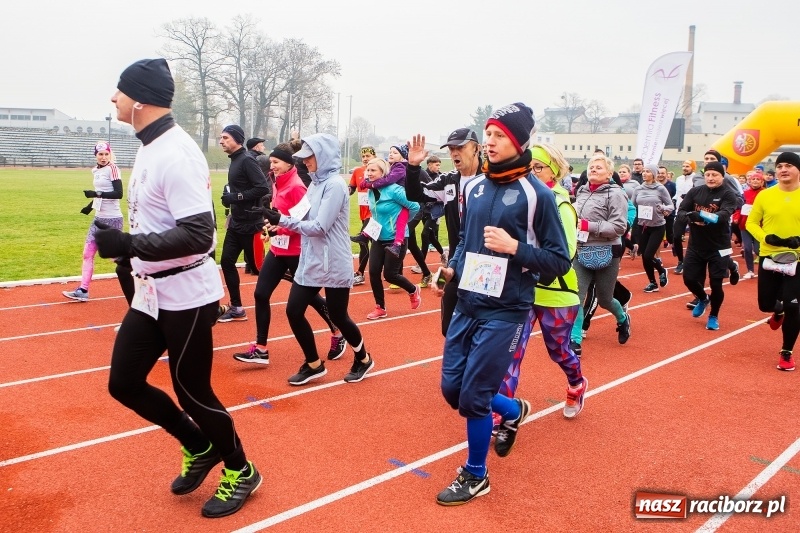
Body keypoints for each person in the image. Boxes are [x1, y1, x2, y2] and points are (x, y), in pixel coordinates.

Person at [96, 58, 260, 518]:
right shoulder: (149, 144)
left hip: (185, 293)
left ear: (141, 99)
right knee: (124, 383)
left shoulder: (176, 152)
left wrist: (129, 242)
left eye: (119, 90)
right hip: (151, 292)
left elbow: (200, 234)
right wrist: (130, 255)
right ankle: (198, 444)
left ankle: (241, 469)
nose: (113, 98)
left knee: (192, 391)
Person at [431, 103, 570, 506]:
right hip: (467, 304)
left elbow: (559, 260)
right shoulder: (472, 187)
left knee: (473, 397)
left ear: (520, 142)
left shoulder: (537, 196)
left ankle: (476, 474)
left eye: (499, 136)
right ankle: (512, 410)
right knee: (451, 390)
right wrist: (451, 270)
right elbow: (465, 243)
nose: (489, 142)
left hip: (506, 311)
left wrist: (516, 249)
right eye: (487, 134)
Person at [261, 133, 375, 385]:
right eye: (302, 157)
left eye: (309, 157)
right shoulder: (314, 184)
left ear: (323, 156)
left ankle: (364, 358)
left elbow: (319, 227)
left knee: (339, 316)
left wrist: (283, 220)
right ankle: (313, 363)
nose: (304, 162)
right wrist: (277, 223)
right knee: (293, 310)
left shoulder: (334, 185)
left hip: (333, 261)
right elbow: (301, 216)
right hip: (312, 259)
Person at [232, 140, 346, 365]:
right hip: (277, 249)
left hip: (296, 251)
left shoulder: (296, 187)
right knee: (260, 294)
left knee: (311, 298)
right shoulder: (277, 182)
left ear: (287, 164)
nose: (271, 166)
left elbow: (304, 222)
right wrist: (272, 229)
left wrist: (280, 227)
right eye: (271, 162)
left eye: (275, 162)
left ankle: (337, 332)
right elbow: (281, 215)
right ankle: (261, 348)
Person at [499, 143, 587, 420]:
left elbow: (567, 254)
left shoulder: (561, 205)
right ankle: (501, 414)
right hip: (522, 292)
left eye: (539, 167)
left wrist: (524, 257)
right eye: (529, 168)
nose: (532, 173)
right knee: (509, 354)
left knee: (559, 351)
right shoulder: (518, 200)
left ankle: (576, 384)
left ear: (555, 171)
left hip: (556, 292)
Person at [405, 127, 483, 336]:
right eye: (451, 149)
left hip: (486, 265)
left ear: (477, 148)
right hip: (456, 262)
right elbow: (414, 193)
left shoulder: (492, 179)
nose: (455, 153)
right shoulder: (448, 181)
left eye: (460, 147)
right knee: (448, 328)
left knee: (481, 329)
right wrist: (413, 166)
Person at [570, 153, 631, 356]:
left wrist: (590, 226)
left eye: (598, 167)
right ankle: (575, 340)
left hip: (608, 251)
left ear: (609, 173)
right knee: (577, 297)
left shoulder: (616, 194)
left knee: (605, 299)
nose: (593, 169)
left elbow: (620, 226)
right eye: (591, 166)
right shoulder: (582, 191)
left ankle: (622, 318)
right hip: (581, 249)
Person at [746, 151, 800, 370]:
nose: (783, 169)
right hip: (770, 257)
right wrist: (765, 238)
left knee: (794, 305)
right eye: (779, 166)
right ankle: (777, 311)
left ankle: (786, 352)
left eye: (789, 165)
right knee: (765, 304)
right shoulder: (765, 195)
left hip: (797, 259)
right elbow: (751, 223)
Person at [675, 161, 739, 331]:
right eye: (708, 174)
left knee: (716, 284)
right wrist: (690, 217)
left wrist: (701, 216)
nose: (710, 178)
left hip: (720, 246)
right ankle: (703, 298)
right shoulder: (695, 191)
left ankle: (713, 315)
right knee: (689, 279)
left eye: (715, 175)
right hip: (696, 244)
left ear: (722, 176)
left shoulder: (728, 194)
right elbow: (681, 211)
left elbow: (723, 216)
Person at [218, 124, 270, 321]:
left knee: (261, 269)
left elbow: (262, 188)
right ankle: (237, 307)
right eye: (221, 138)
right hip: (236, 223)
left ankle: (305, 290)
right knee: (227, 262)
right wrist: (228, 196)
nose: (221, 141)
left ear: (237, 140)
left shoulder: (247, 160)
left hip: (251, 225)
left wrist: (236, 197)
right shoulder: (235, 160)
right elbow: (238, 188)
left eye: (225, 138)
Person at [62, 141, 124, 302]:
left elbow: (118, 194)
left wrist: (95, 194)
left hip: (113, 219)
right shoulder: (95, 170)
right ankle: (83, 290)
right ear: (95, 155)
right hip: (98, 218)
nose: (103, 157)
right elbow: (100, 195)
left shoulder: (113, 169)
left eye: (106, 154)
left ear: (110, 154)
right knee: (87, 254)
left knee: (116, 257)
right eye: (100, 154)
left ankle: (144, 277)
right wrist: (90, 207)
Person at [362, 157, 422, 319]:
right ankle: (380, 307)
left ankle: (413, 289)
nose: (369, 173)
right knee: (373, 272)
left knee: (390, 275)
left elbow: (415, 206)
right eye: (368, 170)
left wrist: (400, 224)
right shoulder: (370, 190)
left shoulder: (394, 190)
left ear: (383, 172)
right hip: (378, 238)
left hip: (397, 239)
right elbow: (375, 214)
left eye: (373, 170)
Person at [351, 144, 411, 258]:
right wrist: (368, 182)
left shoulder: (401, 167)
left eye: (395, 152)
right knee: (378, 215)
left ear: (403, 157)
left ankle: (397, 244)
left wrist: (372, 184)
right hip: (393, 199)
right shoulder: (391, 166)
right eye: (390, 152)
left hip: (401, 200)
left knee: (401, 222)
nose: (391, 154)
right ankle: (365, 234)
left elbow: (388, 180)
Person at [631, 164, 673, 292]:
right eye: (643, 171)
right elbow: (632, 206)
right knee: (644, 256)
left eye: (647, 171)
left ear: (653, 174)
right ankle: (653, 283)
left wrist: (665, 209)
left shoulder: (660, 189)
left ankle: (661, 270)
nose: (644, 173)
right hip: (643, 226)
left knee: (648, 255)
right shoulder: (638, 189)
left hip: (657, 226)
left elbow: (670, 205)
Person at [348, 146, 375, 286]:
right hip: (363, 213)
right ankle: (393, 270)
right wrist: (346, 192)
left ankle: (360, 273)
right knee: (377, 243)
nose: (365, 159)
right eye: (363, 156)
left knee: (363, 241)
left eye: (368, 156)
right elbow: (352, 187)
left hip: (375, 213)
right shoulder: (357, 171)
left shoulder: (378, 171)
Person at [673, 160, 699, 275]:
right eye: (683, 166)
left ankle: (695, 262)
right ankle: (680, 261)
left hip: (693, 211)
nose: (685, 168)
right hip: (680, 211)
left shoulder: (696, 179)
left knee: (696, 238)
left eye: (687, 166)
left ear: (693, 168)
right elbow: (677, 193)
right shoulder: (678, 179)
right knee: (676, 236)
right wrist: (674, 200)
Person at [738, 172, 764, 280]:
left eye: (758, 179)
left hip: (759, 226)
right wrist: (736, 218)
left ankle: (764, 270)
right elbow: (739, 207)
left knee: (758, 250)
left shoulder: (765, 193)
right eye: (753, 179)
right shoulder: (744, 193)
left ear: (762, 182)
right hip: (744, 225)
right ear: (749, 181)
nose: (755, 181)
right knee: (747, 248)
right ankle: (750, 271)